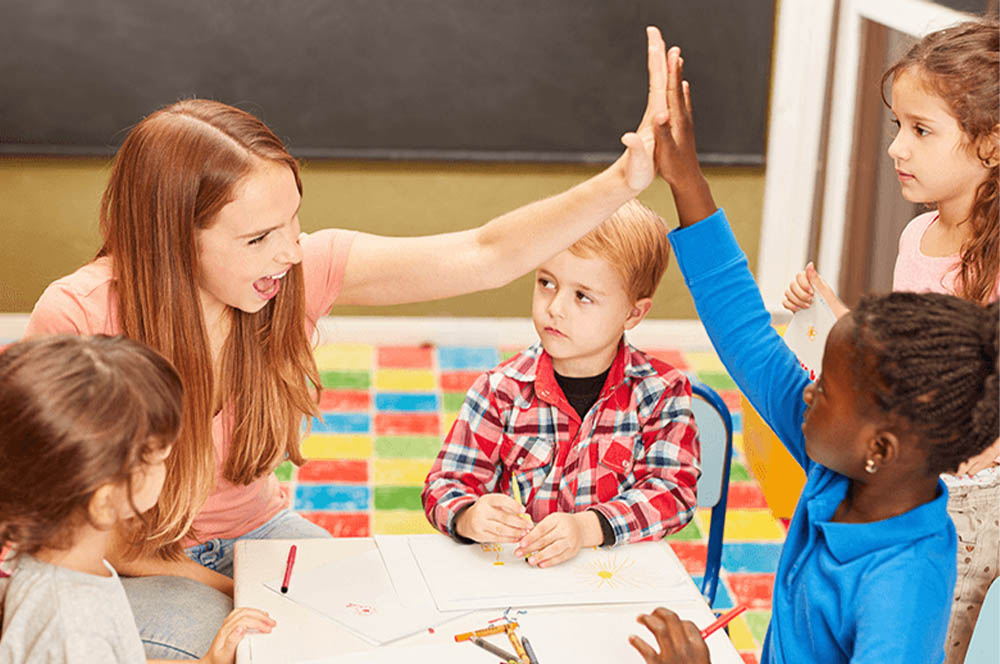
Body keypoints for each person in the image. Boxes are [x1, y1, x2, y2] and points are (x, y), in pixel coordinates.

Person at [22, 28, 670, 657]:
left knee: (385, 625)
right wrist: (244, 594)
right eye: (257, 239)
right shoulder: (80, 314)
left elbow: (485, 252)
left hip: (256, 533)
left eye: (293, 220)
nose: (288, 251)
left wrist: (622, 181)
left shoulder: (298, 271)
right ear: (170, 237)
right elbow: (68, 527)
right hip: (128, 559)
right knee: (243, 646)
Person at [627, 35, 999, 663]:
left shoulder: (903, 593)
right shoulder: (846, 467)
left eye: (825, 386)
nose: (805, 389)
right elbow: (748, 335)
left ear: (878, 445)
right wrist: (684, 175)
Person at [780, 19, 999, 662]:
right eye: (897, 126)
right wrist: (837, 323)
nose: (897, 148)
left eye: (922, 130)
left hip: (973, 502)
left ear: (990, 144)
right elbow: (906, 358)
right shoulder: (917, 238)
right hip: (914, 476)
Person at [422, 199, 699, 567]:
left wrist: (586, 529)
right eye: (547, 283)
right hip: (528, 578)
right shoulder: (500, 391)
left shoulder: (662, 393)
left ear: (633, 313)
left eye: (583, 296)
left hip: (619, 578)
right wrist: (468, 515)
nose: (555, 308)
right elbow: (445, 484)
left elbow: (673, 494)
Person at [0, 335, 275, 663]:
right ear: (103, 502)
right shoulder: (74, 626)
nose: (168, 461)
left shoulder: (63, 561)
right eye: (157, 457)